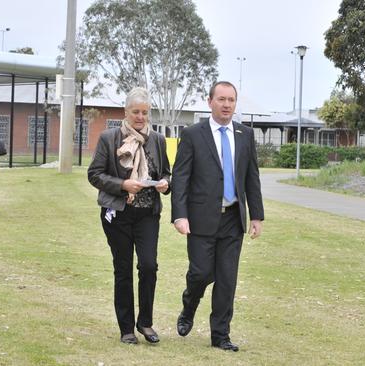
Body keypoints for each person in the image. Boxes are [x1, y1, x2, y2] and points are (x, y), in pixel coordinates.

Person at [171, 81, 264, 352]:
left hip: (233, 219)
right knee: (200, 273)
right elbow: (181, 177)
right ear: (209, 101)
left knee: (226, 279)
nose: (226, 105)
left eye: (231, 100)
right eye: (221, 99)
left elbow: (252, 178)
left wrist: (256, 216)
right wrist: (180, 215)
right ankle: (189, 305)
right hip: (200, 219)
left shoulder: (245, 134)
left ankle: (220, 335)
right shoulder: (193, 134)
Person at [87, 87, 171, 345]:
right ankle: (126, 329)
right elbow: (95, 174)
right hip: (118, 214)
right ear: (126, 112)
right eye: (135, 112)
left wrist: (166, 183)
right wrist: (123, 185)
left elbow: (168, 173)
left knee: (149, 266)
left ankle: (145, 322)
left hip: (147, 214)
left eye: (145, 112)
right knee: (122, 269)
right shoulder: (109, 138)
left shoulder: (157, 139)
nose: (140, 117)